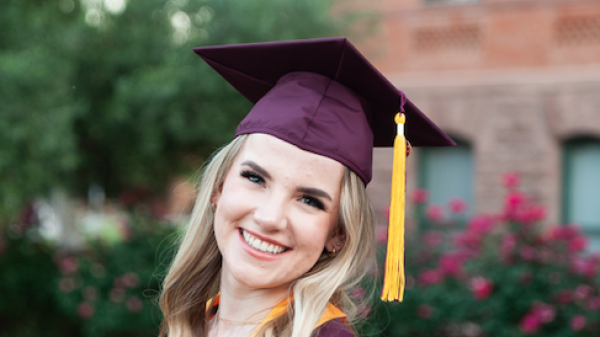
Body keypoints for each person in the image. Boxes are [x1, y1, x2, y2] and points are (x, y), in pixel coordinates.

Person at [159, 38, 454, 337]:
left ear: (338, 233)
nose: (270, 218)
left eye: (310, 200)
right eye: (255, 178)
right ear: (218, 188)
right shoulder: (191, 323)